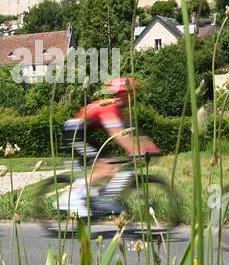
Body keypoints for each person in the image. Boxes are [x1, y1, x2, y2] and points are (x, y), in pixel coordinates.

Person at [62, 77, 160, 217]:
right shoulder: (110, 108)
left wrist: (150, 148)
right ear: (123, 94)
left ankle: (102, 199)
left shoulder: (119, 110)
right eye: (130, 93)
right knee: (106, 167)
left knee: (113, 165)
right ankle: (72, 197)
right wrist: (134, 150)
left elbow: (132, 133)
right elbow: (118, 135)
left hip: (86, 134)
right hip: (75, 134)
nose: (132, 97)